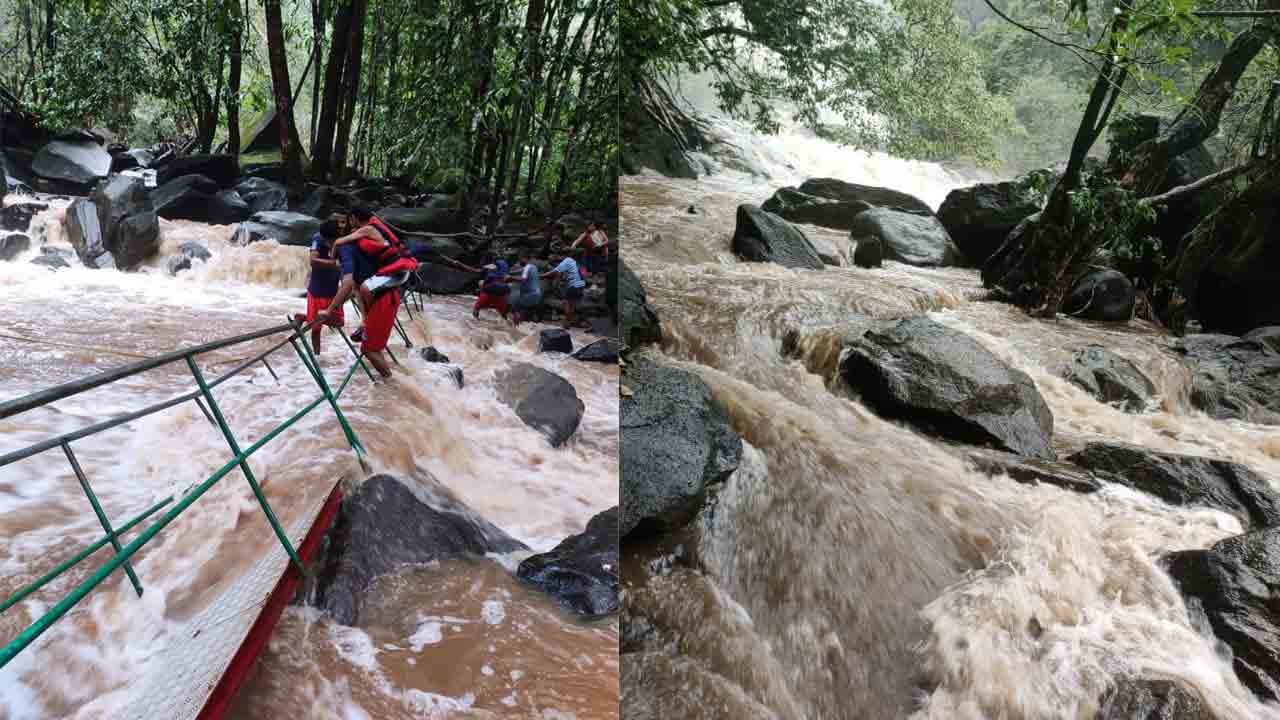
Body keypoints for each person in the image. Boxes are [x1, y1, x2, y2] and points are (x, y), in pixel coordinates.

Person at [316, 209, 418, 379]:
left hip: (383, 298)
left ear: (328, 241)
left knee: (369, 349)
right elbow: (355, 288)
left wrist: (329, 309)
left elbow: (348, 284)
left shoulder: (344, 249)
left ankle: (394, 386)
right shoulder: (354, 243)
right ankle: (396, 387)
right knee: (372, 347)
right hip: (386, 295)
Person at [300, 220, 344, 354]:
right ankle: (317, 355)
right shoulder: (317, 239)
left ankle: (303, 317)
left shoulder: (341, 239)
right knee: (316, 328)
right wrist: (333, 263)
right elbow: (312, 261)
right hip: (317, 289)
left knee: (339, 322)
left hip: (333, 289)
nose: (329, 245)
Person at [542, 248, 587, 330]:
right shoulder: (580, 263)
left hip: (572, 286)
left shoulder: (568, 261)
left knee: (567, 303)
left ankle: (567, 322)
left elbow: (554, 272)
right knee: (572, 304)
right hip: (579, 285)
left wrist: (542, 276)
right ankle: (569, 321)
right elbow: (584, 275)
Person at [508, 251, 542, 327]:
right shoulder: (533, 266)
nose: (519, 261)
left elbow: (523, 279)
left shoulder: (527, 267)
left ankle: (515, 329)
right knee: (526, 315)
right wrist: (510, 273)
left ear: (524, 258)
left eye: (520, 259)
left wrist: (511, 278)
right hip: (537, 295)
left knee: (515, 307)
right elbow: (519, 271)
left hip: (530, 295)